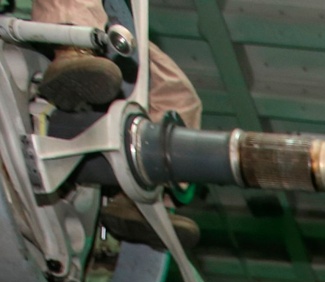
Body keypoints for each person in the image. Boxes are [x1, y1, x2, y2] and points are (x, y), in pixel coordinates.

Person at [31, 0, 201, 249]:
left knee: (180, 97)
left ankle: (139, 197)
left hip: (102, 22)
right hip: (83, 19)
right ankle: (71, 48)